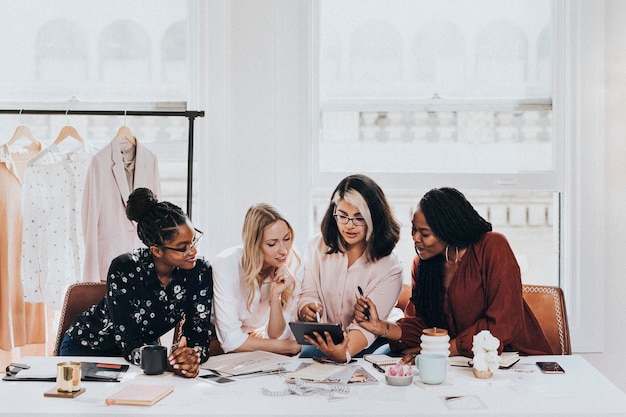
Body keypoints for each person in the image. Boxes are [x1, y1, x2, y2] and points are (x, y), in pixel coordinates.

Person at [355, 187, 552, 364]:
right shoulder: (423, 265)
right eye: (414, 229)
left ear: (447, 231)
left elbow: (503, 322)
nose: (415, 238)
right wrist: (381, 327)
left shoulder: (492, 247)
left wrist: (448, 348)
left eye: (425, 233)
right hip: (460, 364)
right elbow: (422, 325)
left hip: (518, 361)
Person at [60, 188, 213, 378]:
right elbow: (128, 341)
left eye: (193, 241)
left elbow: (199, 334)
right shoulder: (124, 268)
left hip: (146, 353)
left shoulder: (199, 271)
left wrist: (191, 357)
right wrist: (165, 361)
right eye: (183, 248)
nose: (193, 251)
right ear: (156, 251)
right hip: (88, 349)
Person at [297, 174, 405, 363]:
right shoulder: (316, 247)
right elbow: (309, 293)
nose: (349, 226)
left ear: (374, 218)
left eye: (358, 218)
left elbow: (368, 326)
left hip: (370, 342)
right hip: (328, 340)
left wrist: (344, 353)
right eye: (343, 216)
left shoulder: (390, 266)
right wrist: (307, 307)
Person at [212, 203, 302, 355]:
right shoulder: (226, 264)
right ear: (254, 245)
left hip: (250, 346)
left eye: (287, 238)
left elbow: (277, 336)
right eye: (272, 244)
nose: (283, 250)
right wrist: (289, 346)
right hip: (212, 342)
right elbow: (231, 341)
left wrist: (275, 297)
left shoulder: (292, 263)